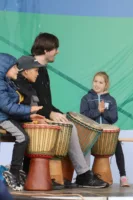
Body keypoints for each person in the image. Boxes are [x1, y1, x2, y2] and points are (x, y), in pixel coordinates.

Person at [29, 33, 109, 188]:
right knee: (70, 127)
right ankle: (84, 174)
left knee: (76, 123)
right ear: (46, 50)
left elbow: (46, 101)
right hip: (34, 116)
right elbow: (30, 100)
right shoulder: (30, 67)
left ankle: (81, 175)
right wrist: (50, 114)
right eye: (55, 48)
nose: (57, 51)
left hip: (44, 112)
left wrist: (61, 113)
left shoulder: (43, 70)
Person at [0, 53, 44, 191]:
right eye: (14, 67)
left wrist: (30, 116)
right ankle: (13, 171)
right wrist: (29, 109)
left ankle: (17, 170)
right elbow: (7, 107)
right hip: (3, 118)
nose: (16, 70)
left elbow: (13, 108)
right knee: (22, 137)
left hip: (8, 116)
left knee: (25, 137)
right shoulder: (1, 83)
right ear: (4, 68)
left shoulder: (7, 82)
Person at [80, 71, 130, 187]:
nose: (97, 84)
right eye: (95, 81)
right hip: (91, 133)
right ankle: (83, 176)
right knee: (81, 148)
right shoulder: (86, 98)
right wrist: (98, 111)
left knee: (118, 147)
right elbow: (84, 116)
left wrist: (104, 112)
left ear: (106, 85)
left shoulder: (111, 100)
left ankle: (123, 176)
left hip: (107, 134)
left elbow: (114, 118)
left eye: (100, 82)